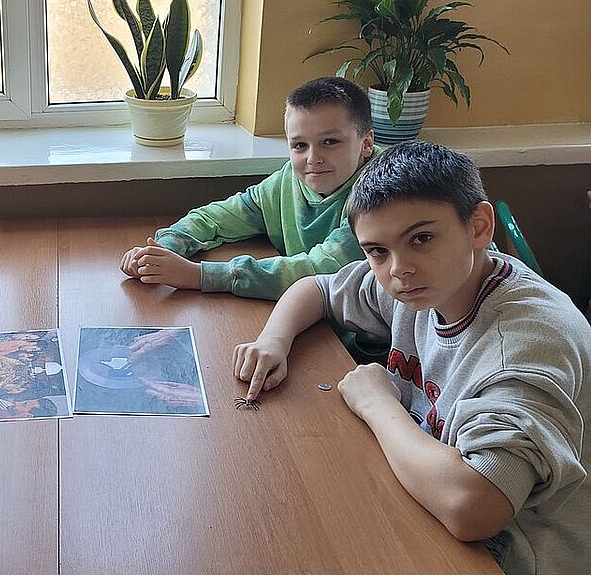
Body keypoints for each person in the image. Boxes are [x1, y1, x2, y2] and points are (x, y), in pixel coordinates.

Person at [233, 141, 591, 573]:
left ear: (479, 227)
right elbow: (318, 288)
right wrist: (274, 339)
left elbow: (474, 507)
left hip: (515, 554)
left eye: (421, 238)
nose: (398, 269)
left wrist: (376, 403)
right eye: (377, 251)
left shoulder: (525, 344)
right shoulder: (429, 283)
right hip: (430, 496)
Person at [121, 76, 380, 301]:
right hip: (308, 314)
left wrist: (198, 275)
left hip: (355, 336)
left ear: (366, 143)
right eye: (300, 145)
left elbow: (317, 272)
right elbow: (217, 217)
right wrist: (163, 250)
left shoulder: (380, 195)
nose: (313, 158)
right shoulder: (288, 179)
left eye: (330, 141)